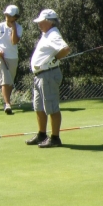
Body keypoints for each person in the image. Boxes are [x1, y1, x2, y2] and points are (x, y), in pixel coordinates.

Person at [26, 9, 70, 148]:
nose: (39, 24)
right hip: (40, 75)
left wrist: (55, 58)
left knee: (51, 107)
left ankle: (55, 138)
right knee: (39, 107)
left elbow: (65, 49)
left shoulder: (53, 34)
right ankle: (41, 134)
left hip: (48, 74)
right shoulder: (47, 34)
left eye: (41, 21)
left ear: (49, 22)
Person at [0, 5, 23, 115]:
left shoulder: (18, 28)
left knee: (9, 81)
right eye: (6, 14)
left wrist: (13, 28)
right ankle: (7, 104)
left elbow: (14, 42)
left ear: (15, 17)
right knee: (4, 81)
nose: (7, 16)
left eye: (9, 15)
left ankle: (7, 102)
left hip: (13, 57)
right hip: (0, 57)